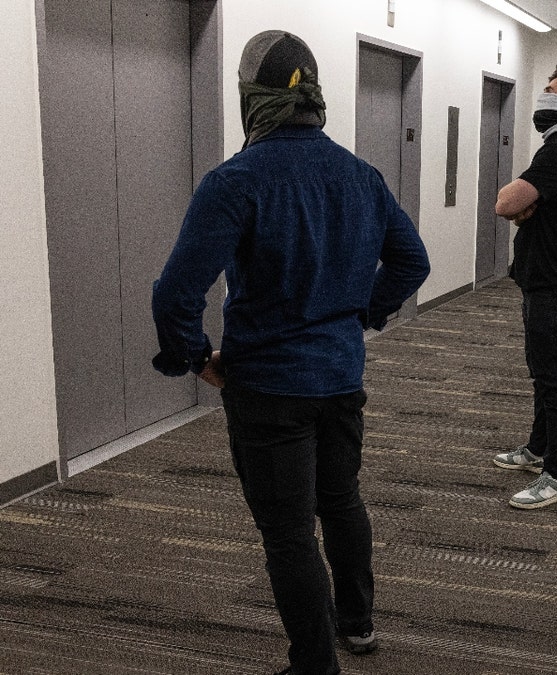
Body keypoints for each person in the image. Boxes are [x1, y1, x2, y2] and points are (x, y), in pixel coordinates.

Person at [150, 31, 430, 674]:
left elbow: (175, 293)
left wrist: (195, 358)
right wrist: (364, 314)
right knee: (341, 500)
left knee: (287, 533)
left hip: (269, 388)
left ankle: (313, 663)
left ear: (253, 99)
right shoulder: (361, 175)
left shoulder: (236, 180)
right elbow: (412, 261)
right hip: (339, 376)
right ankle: (356, 626)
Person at [491, 70, 557, 509]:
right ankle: (537, 450)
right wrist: (525, 206)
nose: (541, 97)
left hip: (556, 281)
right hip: (545, 278)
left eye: (550, 91)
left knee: (553, 378)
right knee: (541, 372)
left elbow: (505, 203)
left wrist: (521, 204)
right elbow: (523, 208)